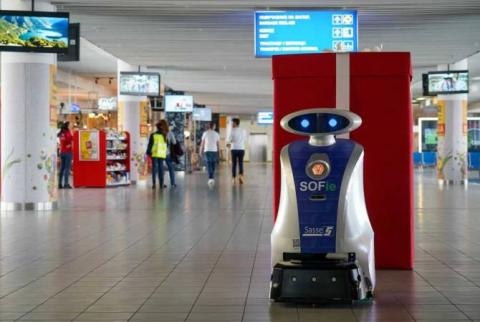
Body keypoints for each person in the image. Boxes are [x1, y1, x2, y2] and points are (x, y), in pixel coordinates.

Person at [146, 121, 168, 189]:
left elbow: (150, 144)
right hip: (161, 154)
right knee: (161, 169)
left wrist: (148, 152)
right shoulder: (164, 135)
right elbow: (167, 145)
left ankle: (154, 184)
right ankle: (161, 184)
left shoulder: (153, 135)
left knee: (154, 169)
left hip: (154, 153)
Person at [200, 122, 220, 188]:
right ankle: (211, 178)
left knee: (208, 164)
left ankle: (210, 178)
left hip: (207, 151)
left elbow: (202, 143)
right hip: (214, 151)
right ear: (214, 126)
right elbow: (218, 144)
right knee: (213, 164)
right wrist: (219, 152)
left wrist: (200, 151)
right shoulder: (216, 134)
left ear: (209, 126)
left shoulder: (205, 133)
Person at [227, 118, 247, 184]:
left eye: (233, 123)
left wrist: (230, 142)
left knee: (234, 164)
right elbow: (245, 140)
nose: (232, 124)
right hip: (242, 149)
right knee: (241, 163)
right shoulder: (243, 130)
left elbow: (229, 140)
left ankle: (233, 178)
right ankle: (241, 176)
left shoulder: (232, 131)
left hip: (234, 149)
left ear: (236, 123)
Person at [159, 119, 177, 188]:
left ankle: (162, 183)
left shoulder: (158, 133)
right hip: (167, 153)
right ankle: (172, 183)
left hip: (160, 153)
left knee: (161, 169)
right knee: (170, 168)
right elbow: (174, 142)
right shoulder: (170, 133)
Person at [58, 121, 73, 189]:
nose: (71, 125)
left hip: (62, 152)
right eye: (70, 124)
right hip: (67, 152)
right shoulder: (68, 133)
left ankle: (59, 184)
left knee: (62, 168)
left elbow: (63, 141)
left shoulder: (61, 133)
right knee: (67, 168)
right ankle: (66, 184)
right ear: (67, 126)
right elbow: (70, 140)